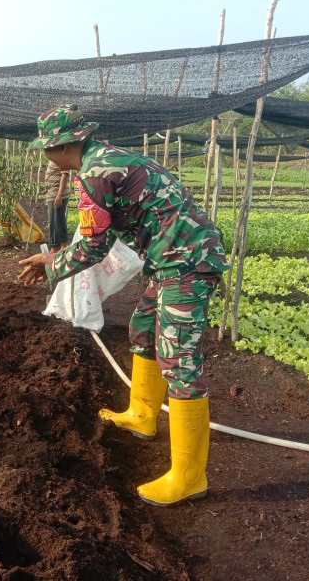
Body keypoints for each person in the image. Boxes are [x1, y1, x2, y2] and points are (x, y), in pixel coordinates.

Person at [19, 105, 229, 507]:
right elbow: (98, 235)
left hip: (186, 260)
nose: (46, 156)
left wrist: (48, 265)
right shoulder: (106, 157)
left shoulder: (95, 174)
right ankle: (143, 414)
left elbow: (93, 247)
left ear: (61, 146)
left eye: (46, 149)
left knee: (179, 359)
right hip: (170, 258)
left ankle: (189, 476)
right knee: (143, 330)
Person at [43, 160, 72, 253]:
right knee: (58, 219)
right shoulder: (55, 158)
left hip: (57, 194)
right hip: (52, 192)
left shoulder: (62, 159)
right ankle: (63, 244)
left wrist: (59, 195)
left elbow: (65, 176)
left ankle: (55, 247)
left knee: (54, 220)